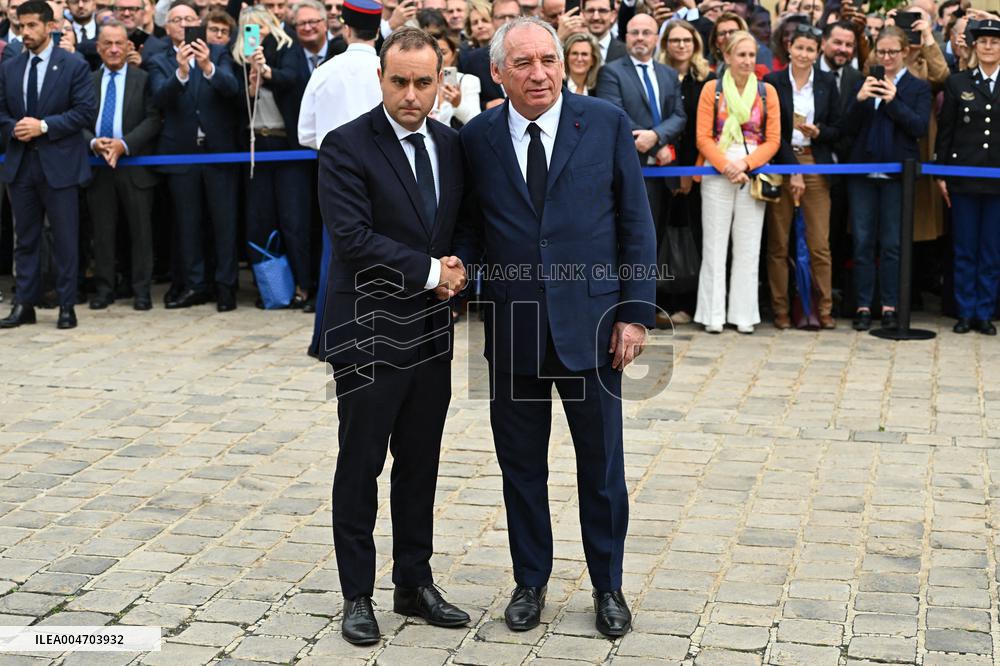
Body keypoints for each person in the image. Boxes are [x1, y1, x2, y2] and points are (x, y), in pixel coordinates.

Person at [457, 17, 656, 638]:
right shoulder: (478, 138)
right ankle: (530, 581)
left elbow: (635, 221)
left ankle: (608, 585)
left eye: (549, 59)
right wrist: (455, 273)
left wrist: (634, 312)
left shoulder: (603, 123)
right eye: (523, 63)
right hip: (513, 327)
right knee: (521, 467)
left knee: (601, 468)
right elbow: (469, 225)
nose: (540, 72)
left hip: (594, 327)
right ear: (497, 73)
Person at [319, 25, 471, 645]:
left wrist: (461, 267)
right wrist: (435, 272)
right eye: (399, 81)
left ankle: (413, 582)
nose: (411, 94)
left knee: (421, 463)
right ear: (380, 78)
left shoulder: (450, 144)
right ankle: (357, 595)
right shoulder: (346, 146)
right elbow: (352, 239)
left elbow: (464, 222)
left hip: (432, 331)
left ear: (441, 84)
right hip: (368, 328)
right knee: (361, 465)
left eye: (423, 82)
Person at [0, 0, 97, 330]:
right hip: (21, 166)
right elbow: (1, 112)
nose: (25, 32)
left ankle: (66, 305)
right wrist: (12, 128)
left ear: (49, 27)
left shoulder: (73, 65)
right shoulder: (10, 66)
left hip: (60, 166)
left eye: (32, 26)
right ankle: (24, 304)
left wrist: (43, 126)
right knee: (25, 239)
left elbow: (84, 113)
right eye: (21, 25)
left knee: (65, 239)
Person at [299, 0, 382, 357]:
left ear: (344, 27)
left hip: (334, 173)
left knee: (335, 253)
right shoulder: (386, 68)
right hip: (383, 170)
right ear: (378, 30)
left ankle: (327, 336)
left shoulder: (325, 71)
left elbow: (305, 133)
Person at [148, 0, 240, 310]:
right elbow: (159, 97)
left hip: (219, 154)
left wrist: (206, 67)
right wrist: (182, 72)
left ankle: (226, 287)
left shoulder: (216, 52)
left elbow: (232, 89)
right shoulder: (159, 59)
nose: (185, 24)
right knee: (187, 225)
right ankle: (195, 284)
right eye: (178, 20)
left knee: (224, 224)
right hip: (181, 154)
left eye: (190, 18)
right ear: (166, 26)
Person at [597, 13, 685, 328]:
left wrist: (659, 137)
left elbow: (679, 114)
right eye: (634, 32)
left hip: (664, 171)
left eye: (647, 32)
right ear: (626, 36)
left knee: (657, 239)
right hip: (632, 168)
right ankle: (630, 308)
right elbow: (614, 112)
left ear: (656, 37)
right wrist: (648, 139)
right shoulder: (611, 72)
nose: (640, 38)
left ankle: (652, 305)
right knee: (631, 238)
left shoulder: (667, 73)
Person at [844, 26, 931, 331]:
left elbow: (919, 127)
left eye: (893, 52)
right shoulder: (861, 82)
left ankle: (891, 306)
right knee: (863, 242)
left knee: (893, 244)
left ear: (905, 52)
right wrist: (860, 99)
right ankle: (864, 305)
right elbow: (846, 129)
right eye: (881, 52)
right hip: (862, 173)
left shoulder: (918, 87)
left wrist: (894, 100)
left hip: (897, 176)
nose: (887, 57)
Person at [694, 29, 779, 334]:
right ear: (727, 56)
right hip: (716, 170)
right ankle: (712, 314)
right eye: (740, 54)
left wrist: (745, 164)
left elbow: (773, 140)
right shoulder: (711, 90)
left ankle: (744, 314)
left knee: (748, 246)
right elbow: (702, 137)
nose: (746, 61)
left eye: (751, 55)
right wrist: (727, 166)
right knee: (714, 246)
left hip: (752, 170)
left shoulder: (767, 92)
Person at [234, 6, 313, 309]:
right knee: (260, 221)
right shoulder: (238, 58)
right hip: (256, 146)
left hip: (286, 144)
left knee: (295, 220)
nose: (258, 35)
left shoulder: (287, 46)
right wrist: (251, 83)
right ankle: (272, 289)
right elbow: (232, 103)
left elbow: (293, 79)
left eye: (261, 27)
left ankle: (305, 286)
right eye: (250, 29)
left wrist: (267, 71)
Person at [763, 23, 839, 329]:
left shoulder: (826, 82)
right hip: (780, 160)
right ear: (789, 49)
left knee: (819, 242)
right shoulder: (772, 81)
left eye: (810, 49)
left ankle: (823, 309)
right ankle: (780, 310)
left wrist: (819, 132)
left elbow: (839, 129)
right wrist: (791, 168)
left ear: (818, 51)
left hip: (815, 162)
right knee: (778, 243)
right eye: (799, 48)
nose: (804, 54)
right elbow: (770, 131)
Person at [83, 20, 162, 311]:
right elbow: (78, 118)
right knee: (102, 233)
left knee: (141, 232)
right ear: (98, 48)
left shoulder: (144, 79)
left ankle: (141, 291)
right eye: (108, 44)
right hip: (98, 167)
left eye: (119, 43)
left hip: (135, 166)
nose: (114, 49)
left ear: (129, 46)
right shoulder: (87, 80)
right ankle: (105, 289)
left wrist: (124, 144)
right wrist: (93, 142)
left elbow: (154, 119)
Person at [935, 19, 1000, 335]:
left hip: (997, 182)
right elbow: (946, 130)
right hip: (963, 178)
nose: (988, 47)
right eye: (983, 41)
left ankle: (984, 312)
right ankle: (964, 311)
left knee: (990, 250)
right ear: (974, 46)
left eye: (995, 42)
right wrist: (941, 173)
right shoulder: (958, 83)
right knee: (964, 248)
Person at [659, 18, 714, 324]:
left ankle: (687, 304)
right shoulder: (659, 76)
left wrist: (691, 172)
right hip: (659, 167)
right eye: (674, 40)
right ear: (666, 44)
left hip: (694, 170)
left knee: (690, 237)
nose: (681, 45)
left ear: (695, 45)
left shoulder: (706, 80)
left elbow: (702, 130)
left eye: (686, 40)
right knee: (661, 235)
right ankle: (660, 302)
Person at [432, 32, 479, 126]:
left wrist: (458, 104)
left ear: (453, 55)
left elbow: (476, 122)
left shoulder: (468, 81)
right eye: (433, 53)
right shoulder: (422, 83)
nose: (438, 58)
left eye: (443, 52)